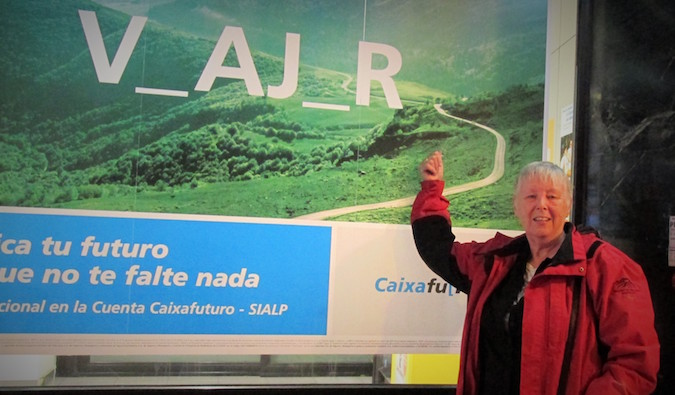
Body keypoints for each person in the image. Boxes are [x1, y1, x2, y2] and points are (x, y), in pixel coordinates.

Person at [411, 151, 660, 395]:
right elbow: (439, 250)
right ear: (516, 206)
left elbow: (634, 363)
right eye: (531, 196)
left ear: (568, 204)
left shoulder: (608, 267)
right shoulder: (493, 262)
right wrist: (432, 189)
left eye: (552, 196)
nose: (541, 204)